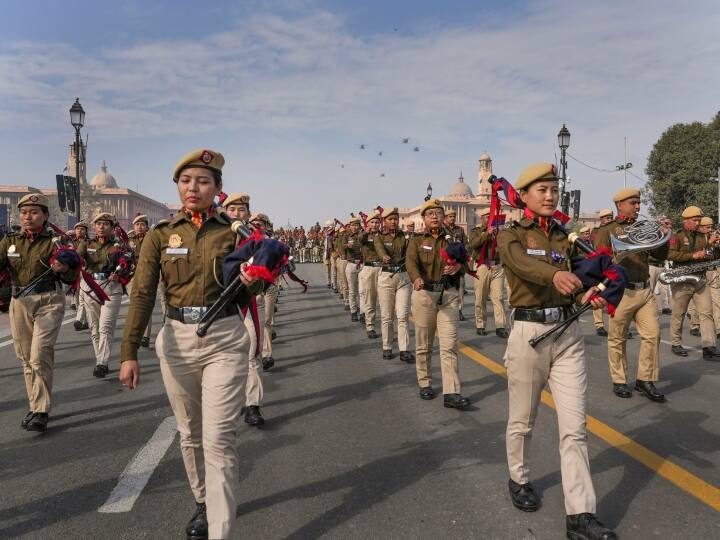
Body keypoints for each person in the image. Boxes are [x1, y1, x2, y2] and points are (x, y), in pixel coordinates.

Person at [120, 149, 259, 540]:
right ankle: (203, 499)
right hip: (177, 340)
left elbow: (258, 285)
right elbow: (143, 294)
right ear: (178, 187)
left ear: (217, 188)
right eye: (186, 180)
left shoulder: (235, 234)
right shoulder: (159, 236)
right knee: (190, 433)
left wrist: (255, 279)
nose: (193, 187)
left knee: (219, 438)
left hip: (225, 338)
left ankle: (221, 530)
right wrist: (129, 352)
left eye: (203, 181)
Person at [498, 163, 616, 540]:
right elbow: (521, 264)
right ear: (525, 196)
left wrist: (587, 292)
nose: (550, 196)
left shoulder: (566, 237)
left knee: (575, 427)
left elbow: (580, 276)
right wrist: (554, 275)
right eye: (542, 190)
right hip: (529, 332)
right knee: (523, 419)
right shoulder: (510, 235)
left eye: (554, 189)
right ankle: (519, 477)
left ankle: (580, 514)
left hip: (567, 334)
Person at [0, 194, 79, 432]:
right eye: (24, 212)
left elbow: (71, 275)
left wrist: (64, 267)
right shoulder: (10, 240)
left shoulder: (55, 242)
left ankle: (41, 411)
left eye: (34, 212)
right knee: (26, 359)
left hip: (48, 301)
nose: (28, 217)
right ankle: (35, 406)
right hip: (19, 302)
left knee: (39, 354)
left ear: (45, 216)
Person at [594, 188, 670, 401]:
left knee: (653, 335)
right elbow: (597, 260)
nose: (638, 207)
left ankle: (644, 379)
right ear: (620, 205)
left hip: (645, 289)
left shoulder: (642, 227)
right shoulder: (608, 230)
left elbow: (659, 255)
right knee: (617, 338)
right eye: (633, 203)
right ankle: (619, 380)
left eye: (639, 203)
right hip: (621, 291)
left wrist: (663, 237)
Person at [406, 199, 470, 409]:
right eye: (430, 213)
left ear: (443, 217)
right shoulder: (416, 241)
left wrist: (458, 267)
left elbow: (466, 262)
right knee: (424, 344)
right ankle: (425, 382)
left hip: (449, 295)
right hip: (424, 295)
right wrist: (415, 278)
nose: (435, 216)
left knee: (449, 345)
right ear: (424, 219)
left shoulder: (453, 240)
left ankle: (452, 392)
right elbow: (411, 262)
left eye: (438, 213)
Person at [221, 193, 267, 426]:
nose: (237, 214)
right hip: (218, 307)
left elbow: (265, 279)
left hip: (245, 303)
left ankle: (253, 405)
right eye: (232, 210)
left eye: (242, 210)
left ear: (248, 214)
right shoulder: (214, 237)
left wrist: (254, 274)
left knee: (251, 355)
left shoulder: (257, 239)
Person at [77, 213, 129, 378]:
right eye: (98, 223)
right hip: (91, 286)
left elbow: (127, 263)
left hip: (111, 287)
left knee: (105, 326)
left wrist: (119, 275)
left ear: (112, 228)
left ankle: (102, 363)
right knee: (94, 328)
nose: (101, 227)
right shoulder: (86, 244)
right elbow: (75, 258)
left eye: (105, 224)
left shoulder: (118, 246)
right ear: (94, 227)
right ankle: (100, 357)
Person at [667, 205, 720, 360]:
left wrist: (710, 250)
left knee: (706, 313)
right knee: (679, 313)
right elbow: (670, 255)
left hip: (700, 279)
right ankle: (676, 343)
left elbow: (710, 255)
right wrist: (692, 256)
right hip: (683, 279)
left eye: (699, 220)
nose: (698, 223)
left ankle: (709, 347)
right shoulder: (675, 236)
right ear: (686, 220)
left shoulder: (702, 236)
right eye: (695, 220)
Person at [374, 207, 414, 362]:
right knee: (387, 316)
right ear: (385, 221)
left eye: (395, 219)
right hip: (386, 277)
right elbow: (379, 249)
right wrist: (384, 256)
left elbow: (410, 252)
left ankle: (404, 349)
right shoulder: (379, 237)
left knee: (403, 315)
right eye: (390, 219)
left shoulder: (405, 236)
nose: (393, 221)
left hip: (403, 277)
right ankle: (387, 346)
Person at [468, 207, 508, 338]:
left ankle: (500, 326)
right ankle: (480, 324)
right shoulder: (475, 231)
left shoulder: (499, 231)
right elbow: (473, 244)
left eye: (491, 217)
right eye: (487, 217)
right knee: (480, 297)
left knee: (498, 298)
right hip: (482, 266)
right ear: (482, 219)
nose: (489, 220)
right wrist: (486, 234)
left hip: (497, 266)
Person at [128, 214, 152, 348]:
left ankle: (145, 336)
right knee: (135, 306)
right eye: (137, 225)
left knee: (145, 305)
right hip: (133, 276)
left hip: (148, 275)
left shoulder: (152, 238)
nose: (139, 227)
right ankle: (137, 333)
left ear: (146, 226)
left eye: (142, 224)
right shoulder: (129, 241)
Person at [359, 212, 382, 338]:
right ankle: (370, 326)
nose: (374, 224)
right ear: (368, 223)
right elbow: (360, 239)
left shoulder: (382, 235)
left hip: (382, 269)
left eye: (377, 222)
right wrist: (366, 232)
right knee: (370, 299)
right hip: (369, 269)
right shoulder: (364, 235)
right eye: (372, 222)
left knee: (384, 300)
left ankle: (386, 325)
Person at [444, 209, 468, 320]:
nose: (452, 218)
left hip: (459, 265)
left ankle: (459, 310)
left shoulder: (460, 230)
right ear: (445, 218)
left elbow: (466, 244)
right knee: (447, 288)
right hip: (446, 264)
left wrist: (463, 255)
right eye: (450, 216)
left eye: (454, 216)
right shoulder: (442, 230)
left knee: (461, 288)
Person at [344, 216, 363, 321]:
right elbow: (341, 246)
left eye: (357, 225)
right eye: (353, 225)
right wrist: (346, 246)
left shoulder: (362, 235)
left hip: (361, 264)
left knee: (362, 291)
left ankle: (362, 311)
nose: (355, 227)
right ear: (350, 226)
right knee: (352, 290)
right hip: (351, 264)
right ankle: (353, 311)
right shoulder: (346, 235)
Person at [72, 221, 90, 331]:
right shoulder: (70, 242)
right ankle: (83, 320)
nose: (79, 231)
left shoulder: (90, 243)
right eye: (77, 229)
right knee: (77, 297)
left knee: (85, 296)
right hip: (74, 273)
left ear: (86, 231)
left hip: (86, 272)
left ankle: (82, 320)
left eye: (82, 229)